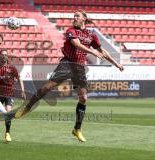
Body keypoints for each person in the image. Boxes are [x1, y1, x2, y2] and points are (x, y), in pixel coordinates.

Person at [15, 10, 124, 142]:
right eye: (74, 16)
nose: (74, 18)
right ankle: (27, 107)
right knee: (46, 88)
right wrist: (93, 52)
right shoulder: (71, 30)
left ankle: (77, 129)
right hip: (67, 63)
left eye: (77, 16)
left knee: (83, 98)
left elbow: (103, 51)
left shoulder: (91, 34)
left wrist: (116, 63)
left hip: (79, 67)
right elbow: (76, 44)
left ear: (84, 18)